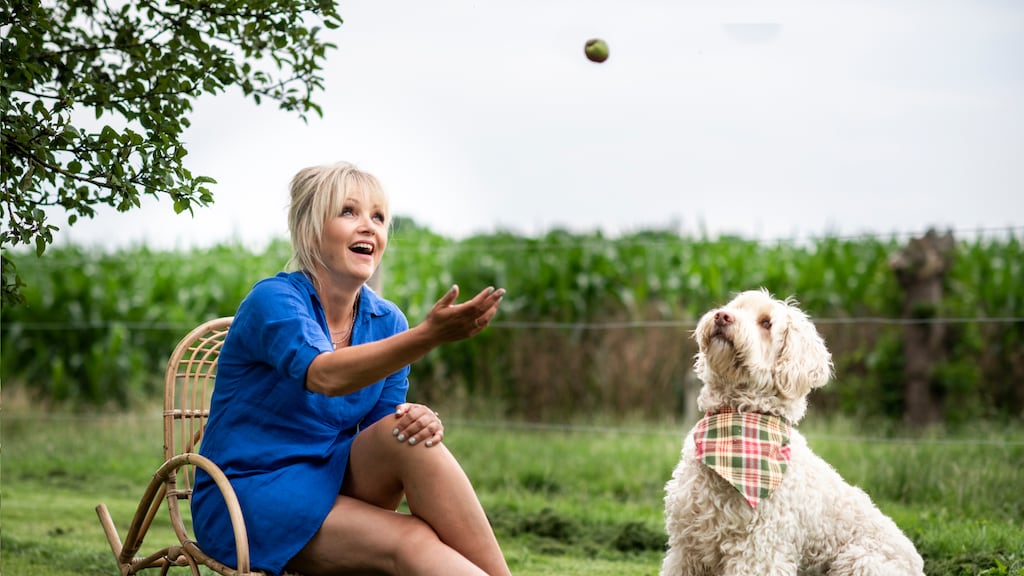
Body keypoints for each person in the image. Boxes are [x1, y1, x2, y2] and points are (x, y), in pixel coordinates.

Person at [191, 161, 512, 576]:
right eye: (349, 212)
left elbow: (384, 429)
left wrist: (416, 420)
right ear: (310, 230)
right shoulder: (274, 301)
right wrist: (428, 336)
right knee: (410, 540)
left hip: (328, 474)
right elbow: (324, 374)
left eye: (378, 217)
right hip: (249, 493)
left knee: (408, 437)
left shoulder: (386, 322)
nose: (369, 227)